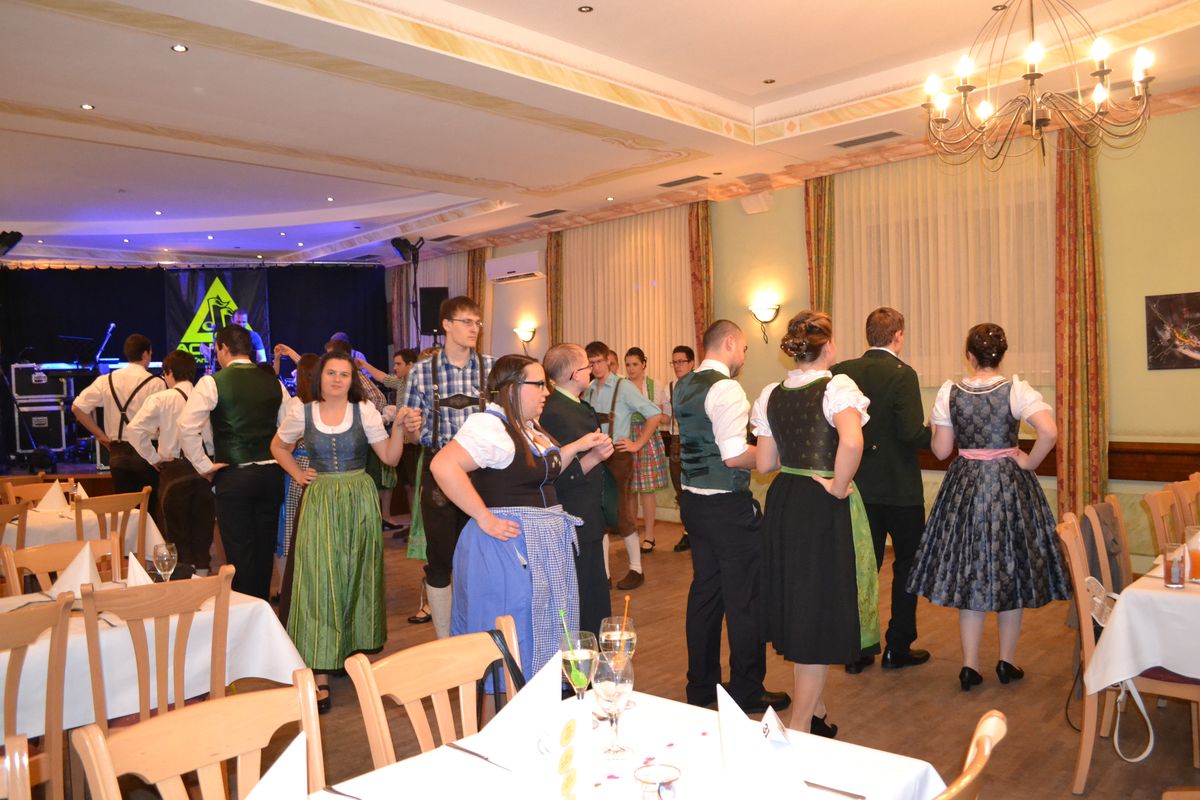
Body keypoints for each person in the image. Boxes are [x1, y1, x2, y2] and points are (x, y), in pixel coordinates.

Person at [907, 323, 1070, 691]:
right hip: (1008, 485)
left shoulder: (950, 392)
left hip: (965, 484)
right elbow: (1049, 431)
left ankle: (969, 666)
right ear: (1002, 355)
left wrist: (939, 428)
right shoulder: (1017, 390)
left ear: (970, 356)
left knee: (971, 572)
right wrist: (1028, 462)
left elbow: (942, 451)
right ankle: (1006, 662)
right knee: (1010, 568)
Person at [430, 355, 608, 677]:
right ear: (512, 389)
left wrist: (586, 450)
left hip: (541, 544)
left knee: (544, 626)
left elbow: (542, 472)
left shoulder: (528, 427)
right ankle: (508, 703)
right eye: (538, 385)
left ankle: (540, 697)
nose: (546, 392)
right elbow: (443, 465)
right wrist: (483, 516)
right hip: (509, 547)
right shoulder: (489, 426)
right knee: (514, 630)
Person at [752, 310, 877, 735]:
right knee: (815, 612)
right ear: (828, 346)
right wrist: (839, 487)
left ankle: (817, 712)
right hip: (821, 504)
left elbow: (765, 463)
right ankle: (800, 725)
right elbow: (853, 442)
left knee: (799, 602)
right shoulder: (837, 387)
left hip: (785, 500)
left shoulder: (771, 394)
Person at [270, 350, 414, 711]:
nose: (337, 379)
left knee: (356, 574)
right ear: (319, 376)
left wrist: (398, 428)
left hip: (359, 500)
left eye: (344, 374)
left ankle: (350, 652)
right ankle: (320, 669)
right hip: (320, 501)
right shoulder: (301, 412)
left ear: (352, 380)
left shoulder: (363, 411)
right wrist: (297, 473)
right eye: (331, 373)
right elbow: (278, 446)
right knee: (319, 580)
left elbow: (390, 458)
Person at [676, 320, 791, 716]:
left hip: (693, 503)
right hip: (727, 508)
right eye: (743, 348)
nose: (743, 356)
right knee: (745, 599)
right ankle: (746, 689)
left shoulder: (684, 384)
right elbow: (733, 455)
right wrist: (773, 457)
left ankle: (700, 684)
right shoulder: (726, 388)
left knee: (705, 595)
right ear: (728, 343)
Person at [831, 308, 932, 674]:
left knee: (862, 568)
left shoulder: (842, 371)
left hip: (858, 485)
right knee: (906, 567)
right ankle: (897, 647)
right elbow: (910, 432)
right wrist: (936, 433)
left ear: (868, 334)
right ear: (898, 336)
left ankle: (858, 649)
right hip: (900, 488)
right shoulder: (904, 374)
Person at [402, 297, 494, 638]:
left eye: (477, 322)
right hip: (439, 471)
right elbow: (411, 434)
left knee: (484, 556)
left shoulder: (490, 367)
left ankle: (481, 632)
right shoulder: (421, 371)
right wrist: (410, 427)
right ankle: (445, 639)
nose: (474, 328)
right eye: (467, 321)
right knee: (440, 558)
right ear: (447, 325)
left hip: (484, 472)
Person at [179, 324, 290, 600]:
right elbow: (290, 426)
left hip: (235, 476)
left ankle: (246, 612)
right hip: (271, 477)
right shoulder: (273, 382)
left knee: (240, 553)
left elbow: (186, 427)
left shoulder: (212, 382)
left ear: (223, 348)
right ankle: (260, 608)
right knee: (264, 550)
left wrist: (203, 466)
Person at [540, 343, 616, 636]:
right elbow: (559, 474)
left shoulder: (576, 406)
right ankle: (584, 652)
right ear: (575, 373)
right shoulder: (556, 412)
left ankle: (594, 651)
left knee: (594, 589)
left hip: (588, 509)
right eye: (587, 366)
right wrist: (595, 457)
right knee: (583, 594)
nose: (592, 371)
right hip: (574, 513)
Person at [584, 341, 667, 590]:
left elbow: (654, 414)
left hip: (618, 457)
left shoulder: (624, 386)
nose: (596, 367)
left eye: (599, 361)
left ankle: (636, 569)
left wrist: (637, 444)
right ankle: (604, 575)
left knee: (622, 515)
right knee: (598, 517)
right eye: (591, 363)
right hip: (594, 457)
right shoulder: (589, 389)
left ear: (608, 361)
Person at [126, 349, 215, 574]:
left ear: (169, 373)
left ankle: (184, 581)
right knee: (203, 529)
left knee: (176, 532)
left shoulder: (161, 398)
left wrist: (153, 458)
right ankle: (203, 577)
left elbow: (134, 430)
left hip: (174, 470)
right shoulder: (209, 397)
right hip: (206, 469)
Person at [72, 333, 166, 528]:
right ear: (146, 354)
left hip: (117, 453)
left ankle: (124, 546)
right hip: (146, 452)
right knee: (148, 512)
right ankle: (147, 546)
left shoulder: (106, 380)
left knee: (124, 513)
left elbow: (77, 408)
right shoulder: (156, 383)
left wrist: (101, 436)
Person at [356, 348, 420, 532]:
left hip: (413, 441)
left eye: (399, 364)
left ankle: (416, 527)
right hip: (401, 442)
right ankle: (412, 526)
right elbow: (382, 377)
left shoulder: (419, 384)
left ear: (411, 365)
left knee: (414, 486)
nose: (395, 367)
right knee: (406, 486)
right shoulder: (401, 382)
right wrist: (364, 365)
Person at [623, 347, 670, 553]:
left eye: (635, 364)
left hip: (647, 436)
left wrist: (655, 415)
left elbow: (663, 416)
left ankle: (649, 535)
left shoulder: (654, 385)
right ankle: (632, 533)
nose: (631, 368)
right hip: (626, 436)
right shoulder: (621, 385)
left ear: (643, 364)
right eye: (628, 364)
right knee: (630, 489)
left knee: (647, 490)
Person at [664, 345, 695, 552]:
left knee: (696, 488)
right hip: (676, 441)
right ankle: (687, 531)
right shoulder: (670, 387)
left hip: (696, 440)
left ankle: (698, 530)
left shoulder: (699, 385)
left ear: (691, 363)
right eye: (674, 362)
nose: (677, 366)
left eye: (681, 361)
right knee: (680, 490)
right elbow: (667, 418)